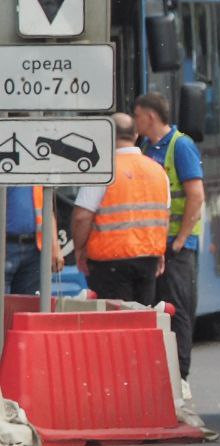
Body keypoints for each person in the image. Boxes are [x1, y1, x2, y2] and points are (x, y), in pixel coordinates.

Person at [134, 93, 204, 387]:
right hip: (154, 246)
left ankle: (181, 379)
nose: (135, 122)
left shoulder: (181, 146)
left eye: (137, 116)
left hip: (177, 248)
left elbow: (196, 195)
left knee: (178, 312)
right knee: (155, 312)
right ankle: (161, 378)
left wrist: (179, 240)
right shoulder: (147, 148)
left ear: (150, 116)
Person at [70, 113, 169, 304]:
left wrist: (80, 248)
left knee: (115, 322)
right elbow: (163, 216)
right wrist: (160, 252)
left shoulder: (103, 170)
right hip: (148, 259)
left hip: (109, 261)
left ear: (106, 135)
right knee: (142, 318)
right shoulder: (158, 171)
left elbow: (82, 216)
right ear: (136, 135)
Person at [4, 186, 63, 295]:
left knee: (28, 305)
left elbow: (47, 207)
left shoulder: (36, 171)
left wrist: (55, 246)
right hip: (6, 247)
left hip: (34, 249)